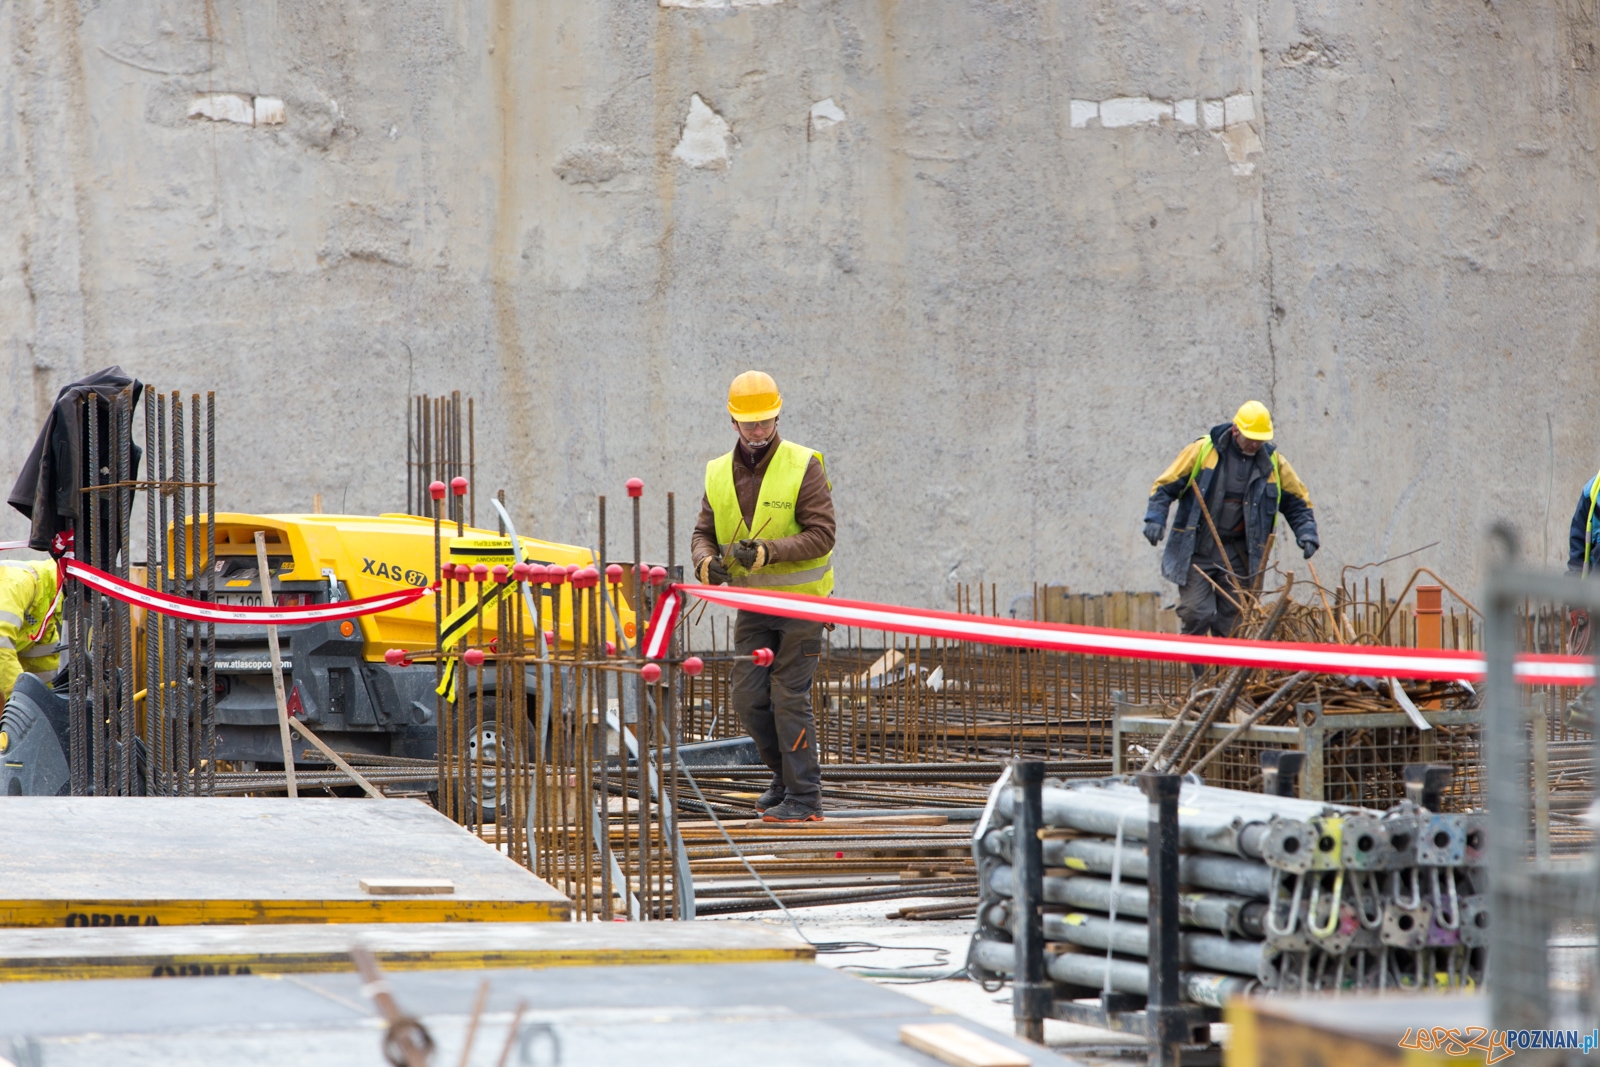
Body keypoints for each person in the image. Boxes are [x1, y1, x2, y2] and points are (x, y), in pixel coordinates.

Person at [690, 371, 836, 823]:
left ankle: (805, 797)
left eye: (766, 422)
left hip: (803, 606)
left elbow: (823, 535)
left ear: (778, 415)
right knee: (748, 697)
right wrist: (704, 562)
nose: (758, 430)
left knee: (789, 697)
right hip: (754, 607)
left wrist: (768, 553)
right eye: (749, 423)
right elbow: (703, 532)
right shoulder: (718, 471)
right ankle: (784, 777)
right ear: (733, 421)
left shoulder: (802, 464)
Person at [1143, 401, 1318, 639]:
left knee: (1234, 623)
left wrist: (1306, 532)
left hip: (1241, 556)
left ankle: (1223, 676)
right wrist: (1155, 518)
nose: (1255, 444)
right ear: (1236, 430)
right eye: (1250, 438)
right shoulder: (1203, 450)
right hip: (1199, 549)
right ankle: (1200, 674)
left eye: (1260, 440)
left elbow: (1297, 501)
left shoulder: (1273, 463)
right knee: (1196, 613)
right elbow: (1165, 486)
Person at [0, 559, 61, 701]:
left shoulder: (47, 599)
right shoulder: (18, 583)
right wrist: (22, 699)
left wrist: (48, 705)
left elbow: (42, 665)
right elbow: (1, 644)